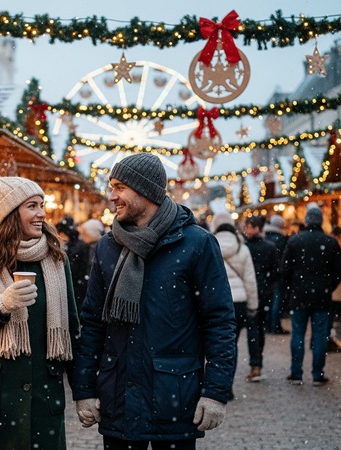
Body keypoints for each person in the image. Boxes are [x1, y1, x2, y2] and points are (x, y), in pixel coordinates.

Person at [72, 153, 236, 449]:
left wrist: (215, 393)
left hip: (173, 397)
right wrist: (83, 390)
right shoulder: (108, 246)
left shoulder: (196, 243)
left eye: (120, 187)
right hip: (119, 398)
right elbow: (93, 322)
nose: (112, 196)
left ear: (145, 190)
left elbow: (219, 322)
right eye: (112, 187)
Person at [0, 172, 80, 449]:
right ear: (9, 213)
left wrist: (84, 394)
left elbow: (72, 332)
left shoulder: (57, 259)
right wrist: (0, 306)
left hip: (43, 403)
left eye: (42, 205)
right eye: (32, 206)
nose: (42, 213)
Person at [282, 205, 341, 386]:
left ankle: (296, 373)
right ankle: (317, 374)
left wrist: (292, 287)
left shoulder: (295, 241)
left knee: (298, 334)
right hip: (322, 296)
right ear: (321, 221)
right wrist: (328, 286)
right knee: (320, 336)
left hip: (299, 295)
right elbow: (339, 270)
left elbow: (285, 270)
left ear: (306, 220)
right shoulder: (330, 242)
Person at [212, 212, 260, 391]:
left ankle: (216, 386)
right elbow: (250, 280)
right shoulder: (242, 248)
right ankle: (227, 385)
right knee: (231, 344)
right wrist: (253, 306)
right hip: (238, 303)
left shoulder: (208, 245)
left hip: (215, 302)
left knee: (213, 344)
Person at [241, 215, 279, 382]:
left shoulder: (245, 247)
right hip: (263, 292)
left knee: (253, 328)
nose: (246, 230)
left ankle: (255, 364)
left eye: (249, 227)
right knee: (258, 328)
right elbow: (276, 271)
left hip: (251, 292)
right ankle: (257, 362)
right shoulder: (269, 247)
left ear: (257, 228)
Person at [56, 215, 90, 313]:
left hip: (76, 283)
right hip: (74, 282)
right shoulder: (75, 244)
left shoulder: (76, 246)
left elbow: (78, 266)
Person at [264, 215, 289, 334]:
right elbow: (284, 258)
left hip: (266, 273)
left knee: (269, 300)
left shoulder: (265, 236)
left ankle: (268, 324)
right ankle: (275, 325)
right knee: (277, 299)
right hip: (278, 274)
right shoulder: (281, 239)